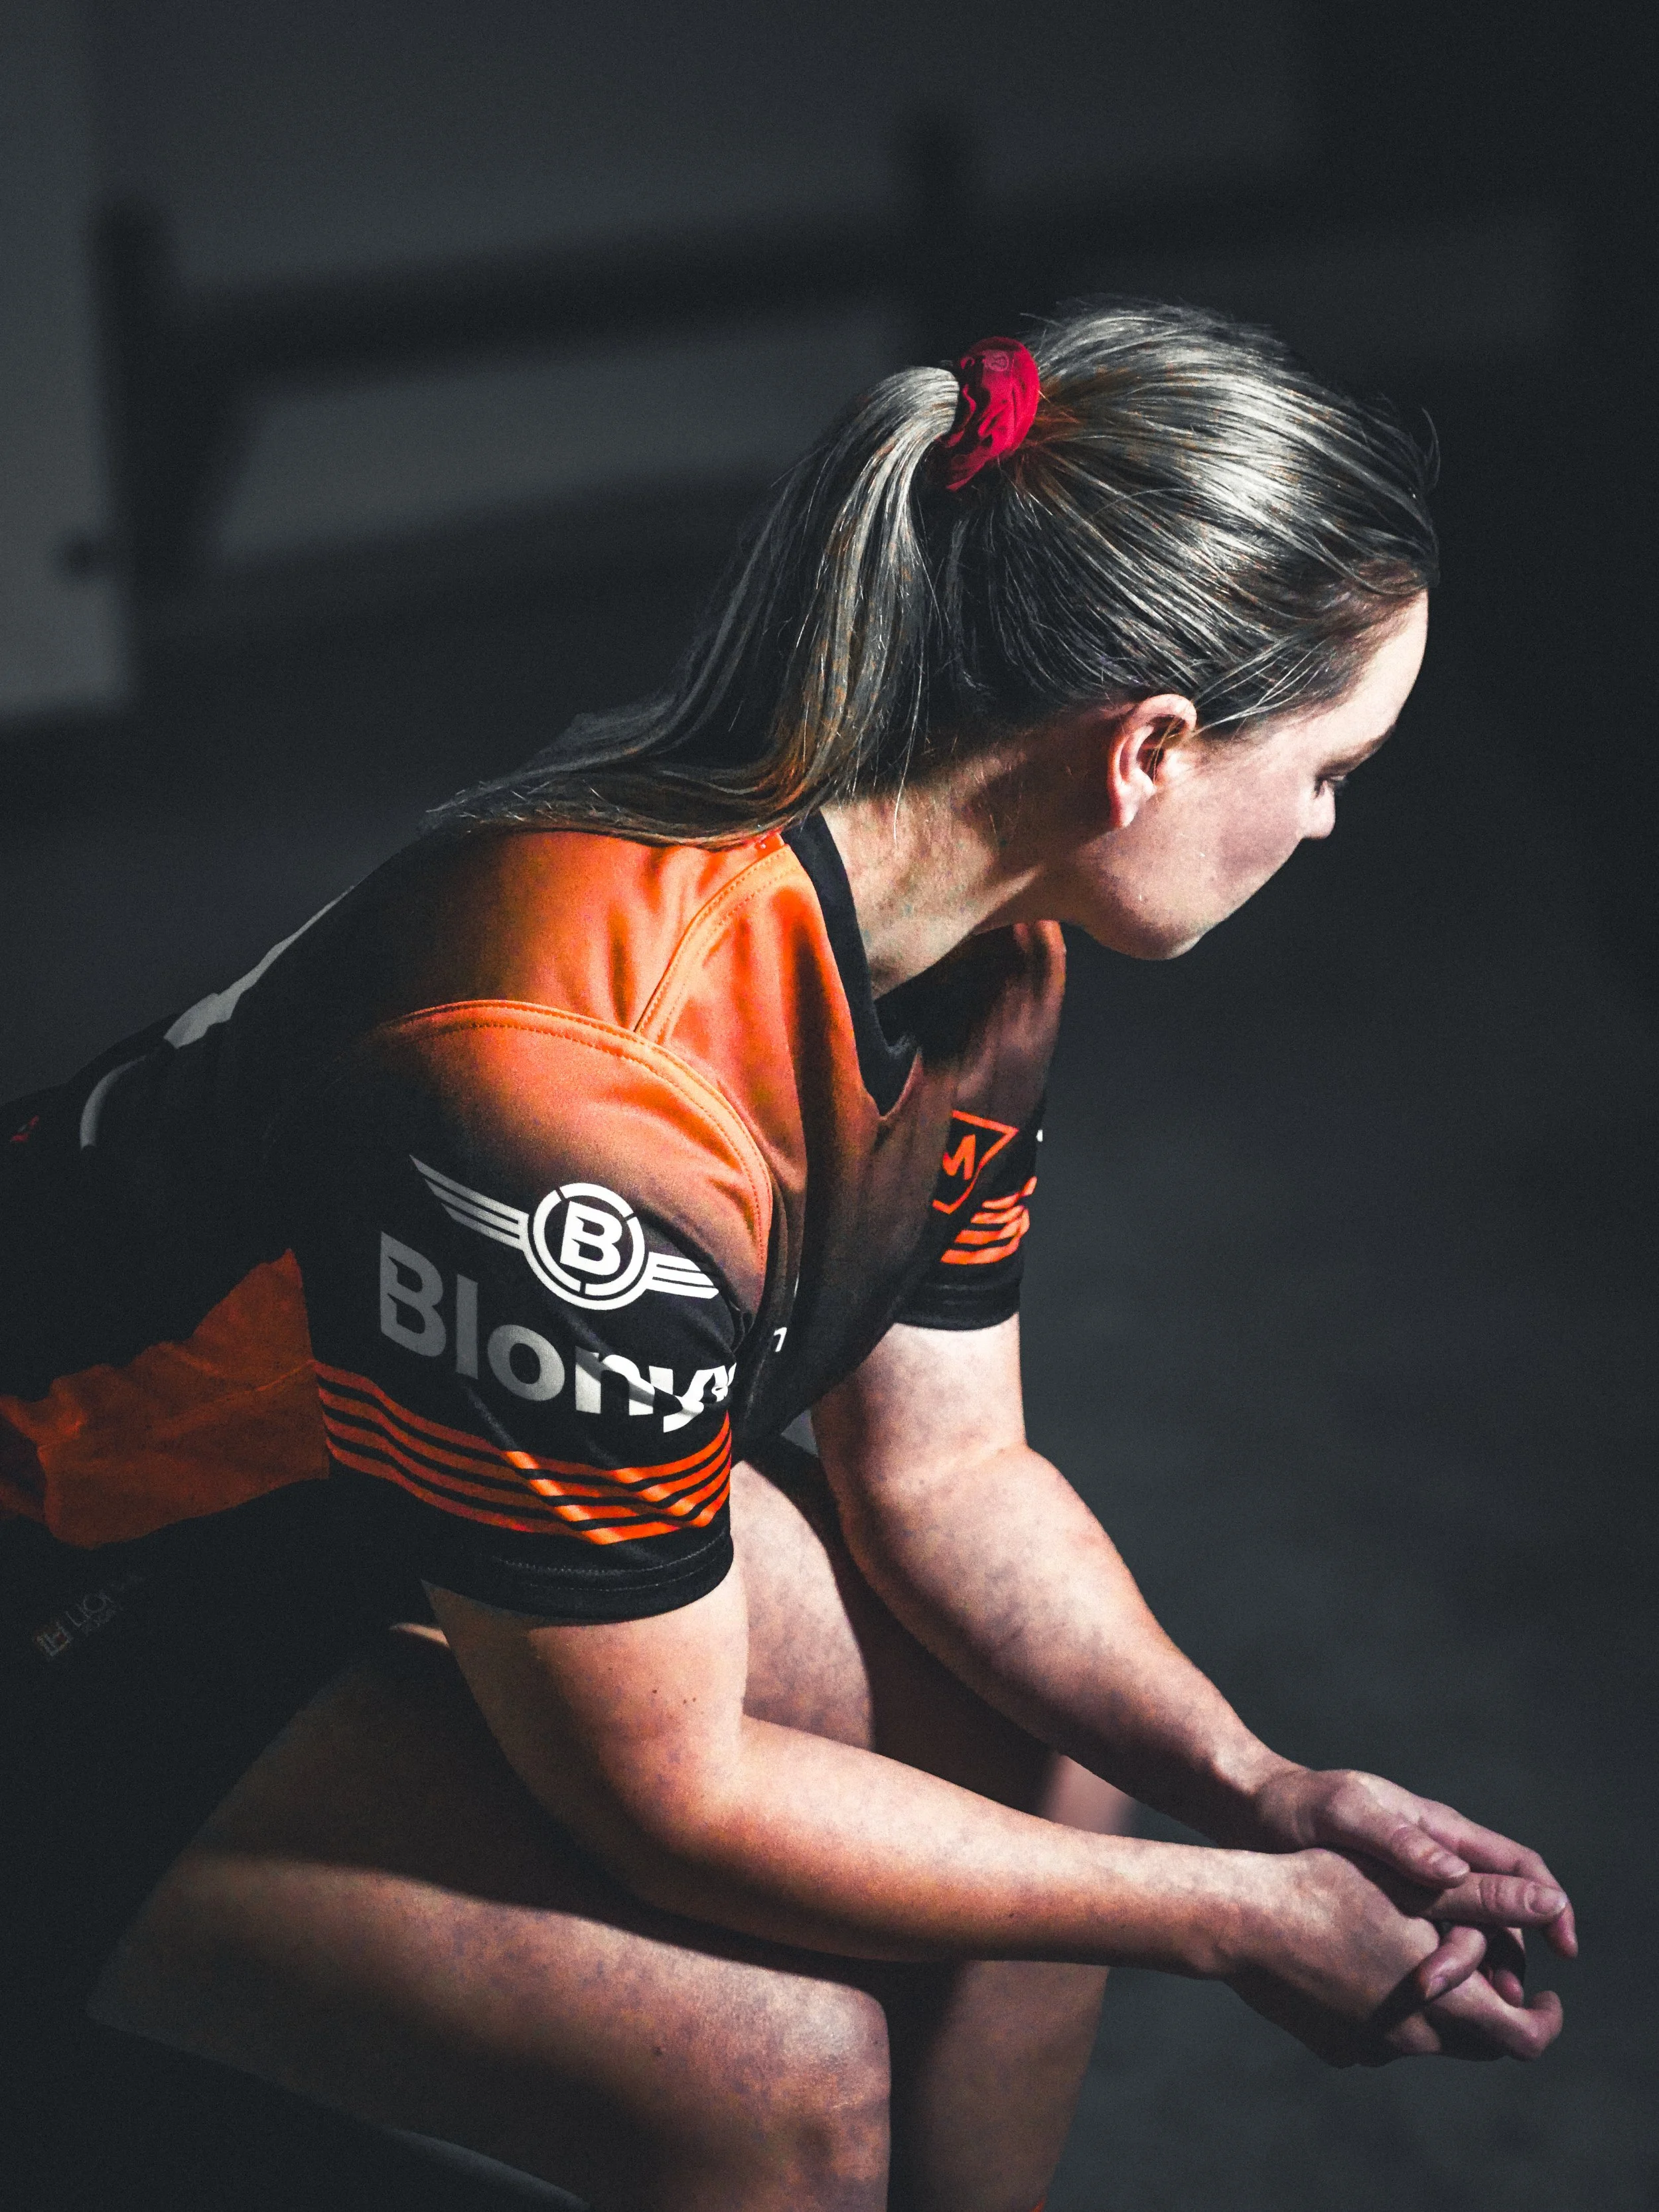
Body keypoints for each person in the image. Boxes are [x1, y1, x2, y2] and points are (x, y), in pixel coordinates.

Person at [1, 304, 1575, 2212]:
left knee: (1044, 1762)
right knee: (775, 2080)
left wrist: (1257, 1788)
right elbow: (660, 1796)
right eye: (1330, 762)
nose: (1328, 820)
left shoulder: (991, 940)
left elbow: (949, 1471)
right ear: (1147, 750)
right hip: (85, 1576)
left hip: (376, 1457)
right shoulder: (578, 1106)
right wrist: (1231, 1917)